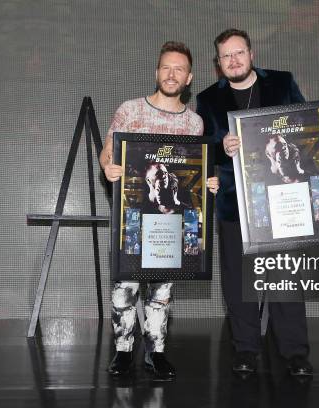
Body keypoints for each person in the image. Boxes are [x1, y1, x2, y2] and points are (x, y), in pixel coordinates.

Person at [196, 29, 319, 377]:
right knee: (238, 282)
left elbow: (308, 129)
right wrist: (223, 149)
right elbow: (204, 149)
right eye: (225, 56)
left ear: (252, 53)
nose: (233, 60)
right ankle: (246, 350)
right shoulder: (207, 99)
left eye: (239, 53)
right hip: (235, 203)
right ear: (218, 64)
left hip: (284, 200)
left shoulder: (282, 82)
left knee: (284, 279)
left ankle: (294, 352)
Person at [99, 41, 219, 380]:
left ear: (189, 77)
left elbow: (196, 173)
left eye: (179, 68)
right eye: (166, 67)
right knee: (126, 288)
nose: (172, 73)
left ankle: (156, 352)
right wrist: (108, 167)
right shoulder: (131, 110)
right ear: (157, 72)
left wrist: (206, 186)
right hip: (133, 217)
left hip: (171, 222)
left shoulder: (195, 124)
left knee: (162, 291)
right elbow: (107, 154)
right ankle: (123, 351)